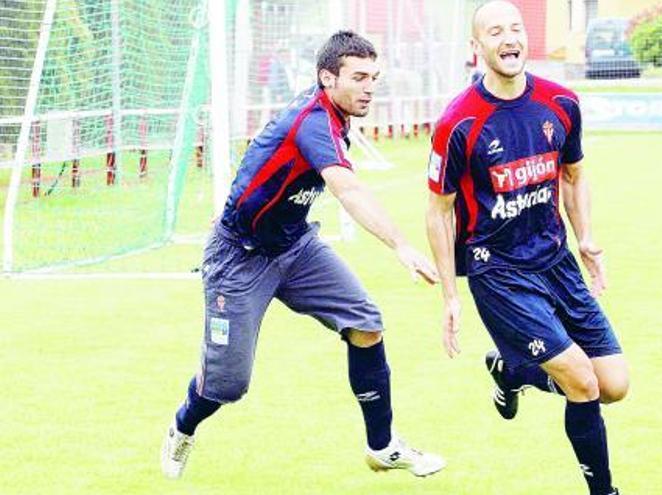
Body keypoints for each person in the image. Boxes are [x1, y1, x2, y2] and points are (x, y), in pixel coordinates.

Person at [161, 30, 445, 480]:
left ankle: (383, 445)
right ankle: (182, 427)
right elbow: (347, 188)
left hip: (296, 246)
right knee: (226, 386)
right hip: (239, 257)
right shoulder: (313, 122)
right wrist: (402, 246)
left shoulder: (333, 113)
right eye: (358, 77)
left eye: (374, 77)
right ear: (327, 78)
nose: (369, 87)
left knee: (365, 322)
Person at [424, 2, 628, 494]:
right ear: (477, 47)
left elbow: (574, 177)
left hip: (555, 261)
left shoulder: (561, 103)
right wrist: (452, 296)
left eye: (515, 28)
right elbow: (439, 210)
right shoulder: (458, 123)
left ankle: (511, 369)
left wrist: (587, 239)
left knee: (613, 386)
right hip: (499, 273)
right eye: (495, 31)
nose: (508, 38)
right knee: (582, 382)